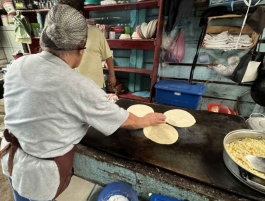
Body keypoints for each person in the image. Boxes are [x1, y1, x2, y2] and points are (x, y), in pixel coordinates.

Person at [0, 4, 165, 201]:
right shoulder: (77, 84)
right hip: (40, 175)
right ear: (80, 45)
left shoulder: (19, 64)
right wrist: (147, 119)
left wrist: (99, 100)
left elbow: (44, 101)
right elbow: (126, 121)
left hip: (11, 157)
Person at [57, 0, 116, 90]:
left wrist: (112, 76)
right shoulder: (62, 36)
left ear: (80, 14)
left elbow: (108, 56)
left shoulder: (95, 32)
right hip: (74, 87)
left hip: (96, 86)